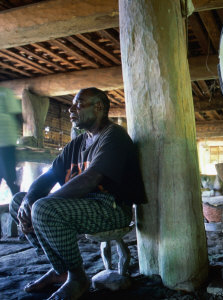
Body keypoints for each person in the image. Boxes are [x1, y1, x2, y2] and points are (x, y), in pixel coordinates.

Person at [9, 87, 145, 300]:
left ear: (98, 107)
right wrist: (28, 200)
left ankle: (77, 277)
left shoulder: (113, 136)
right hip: (83, 204)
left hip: (111, 208)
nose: (70, 109)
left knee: (43, 208)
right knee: (18, 202)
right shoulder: (77, 143)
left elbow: (91, 178)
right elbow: (48, 177)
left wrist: (41, 205)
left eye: (78, 104)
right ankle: (60, 270)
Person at [0, 87, 21, 196]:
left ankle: (18, 201)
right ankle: (17, 199)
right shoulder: (5, 92)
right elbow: (18, 115)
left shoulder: (5, 92)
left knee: (9, 177)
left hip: (5, 140)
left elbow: (17, 115)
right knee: (9, 176)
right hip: (6, 140)